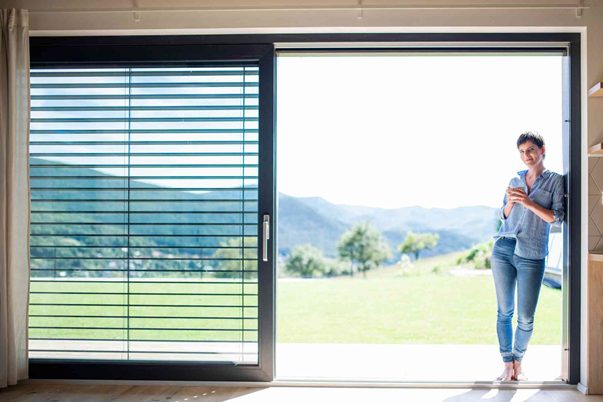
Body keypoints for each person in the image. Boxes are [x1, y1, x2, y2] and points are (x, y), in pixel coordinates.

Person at [492, 131, 565, 381]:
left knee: (525, 316)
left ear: (543, 150)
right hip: (503, 248)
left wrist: (528, 202)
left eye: (531, 150)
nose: (527, 156)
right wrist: (511, 203)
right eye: (522, 152)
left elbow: (557, 217)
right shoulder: (515, 178)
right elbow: (502, 215)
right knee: (504, 311)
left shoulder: (555, 181)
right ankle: (507, 364)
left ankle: (519, 360)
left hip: (532, 252)